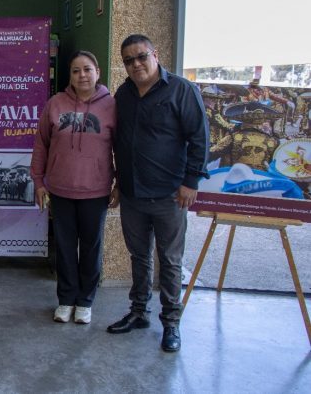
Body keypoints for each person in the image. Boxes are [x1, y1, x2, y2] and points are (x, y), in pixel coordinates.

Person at [108, 34, 209, 352]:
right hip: (132, 193)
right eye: (128, 60)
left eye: (141, 56)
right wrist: (118, 182)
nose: (136, 64)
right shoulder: (123, 94)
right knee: (139, 257)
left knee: (170, 260)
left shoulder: (182, 90)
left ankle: (171, 323)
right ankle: (139, 312)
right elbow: (120, 142)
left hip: (170, 195)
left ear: (155, 54)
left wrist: (191, 182)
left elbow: (199, 138)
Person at [30, 50, 118, 325]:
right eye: (76, 70)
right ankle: (66, 299)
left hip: (96, 191)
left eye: (87, 69)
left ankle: (85, 301)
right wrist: (38, 181)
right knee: (65, 248)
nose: (82, 75)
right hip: (60, 190)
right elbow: (41, 144)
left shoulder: (111, 106)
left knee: (91, 248)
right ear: (69, 75)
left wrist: (120, 183)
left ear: (97, 73)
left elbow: (122, 148)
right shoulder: (55, 104)